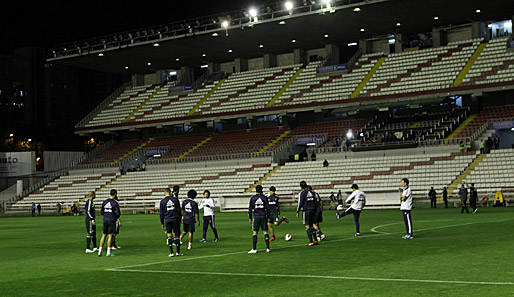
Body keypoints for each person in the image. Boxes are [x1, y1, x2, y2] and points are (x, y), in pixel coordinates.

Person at [98, 189, 121, 257]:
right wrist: (115, 217)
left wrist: (106, 215)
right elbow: (118, 213)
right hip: (111, 220)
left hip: (105, 220)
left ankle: (100, 251)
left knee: (103, 235)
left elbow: (101, 212)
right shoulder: (115, 203)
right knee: (110, 236)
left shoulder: (105, 201)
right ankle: (108, 252)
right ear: (115, 194)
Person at [160, 187, 182, 257]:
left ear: (165, 193)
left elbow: (161, 213)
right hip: (175, 219)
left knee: (169, 235)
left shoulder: (162, 201)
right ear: (170, 192)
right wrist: (180, 218)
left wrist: (162, 223)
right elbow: (179, 210)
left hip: (167, 219)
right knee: (177, 235)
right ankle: (178, 252)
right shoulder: (175, 200)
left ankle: (171, 252)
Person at [248, 185, 271, 254]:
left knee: (255, 232)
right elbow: (268, 208)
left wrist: (250, 217)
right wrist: (268, 217)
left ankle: (254, 249)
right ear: (262, 190)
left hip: (256, 216)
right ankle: (268, 248)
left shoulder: (252, 198)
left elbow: (250, 209)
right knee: (265, 232)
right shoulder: (264, 198)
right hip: (263, 216)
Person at [296, 181, 318, 246]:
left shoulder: (302, 193)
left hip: (306, 210)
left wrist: (298, 211)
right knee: (312, 225)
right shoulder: (312, 193)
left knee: (307, 225)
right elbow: (315, 202)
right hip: (313, 210)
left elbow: (300, 203)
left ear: (301, 186)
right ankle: (315, 240)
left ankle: (311, 241)